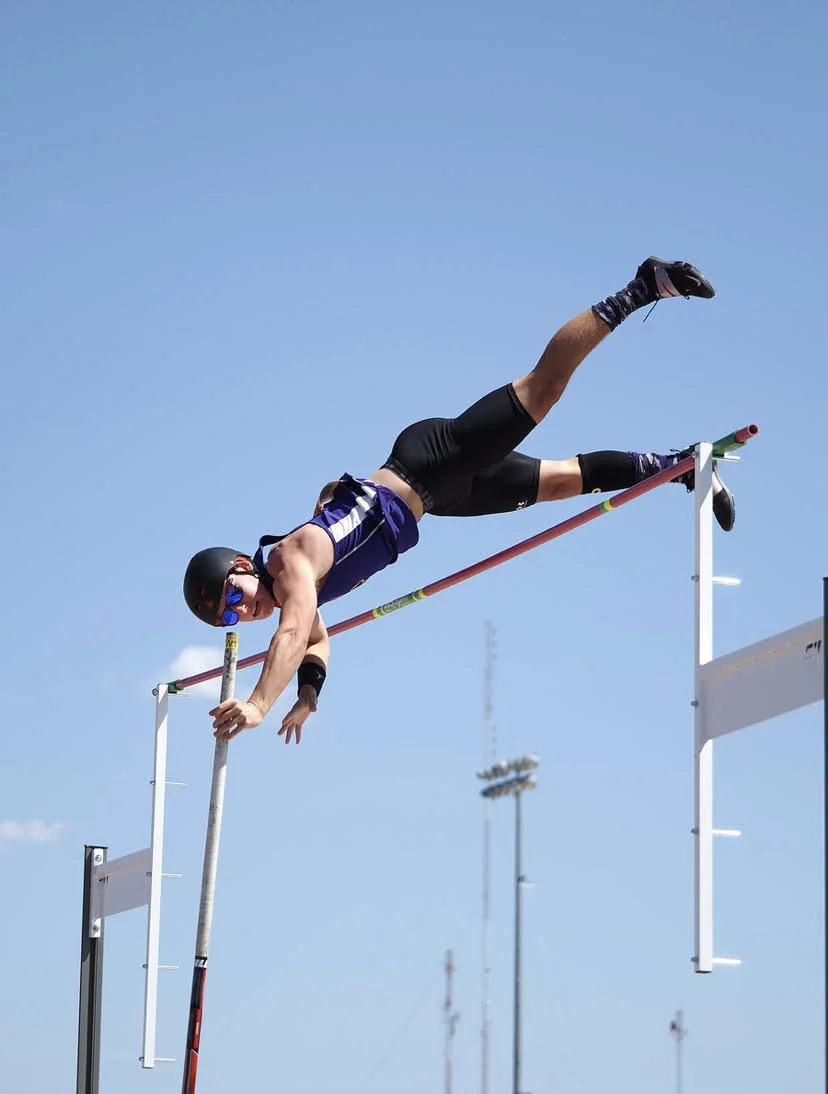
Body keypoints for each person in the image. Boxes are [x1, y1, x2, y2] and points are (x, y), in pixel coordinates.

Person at [184, 256, 730, 745]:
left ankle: (644, 285)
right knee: (563, 482)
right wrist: (307, 698)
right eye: (232, 619)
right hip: (441, 496)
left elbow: (295, 630)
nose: (244, 613)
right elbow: (316, 643)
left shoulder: (290, 560)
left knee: (544, 389)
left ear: (240, 565)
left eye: (234, 599)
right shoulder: (288, 591)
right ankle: (681, 465)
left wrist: (258, 704)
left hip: (429, 461)